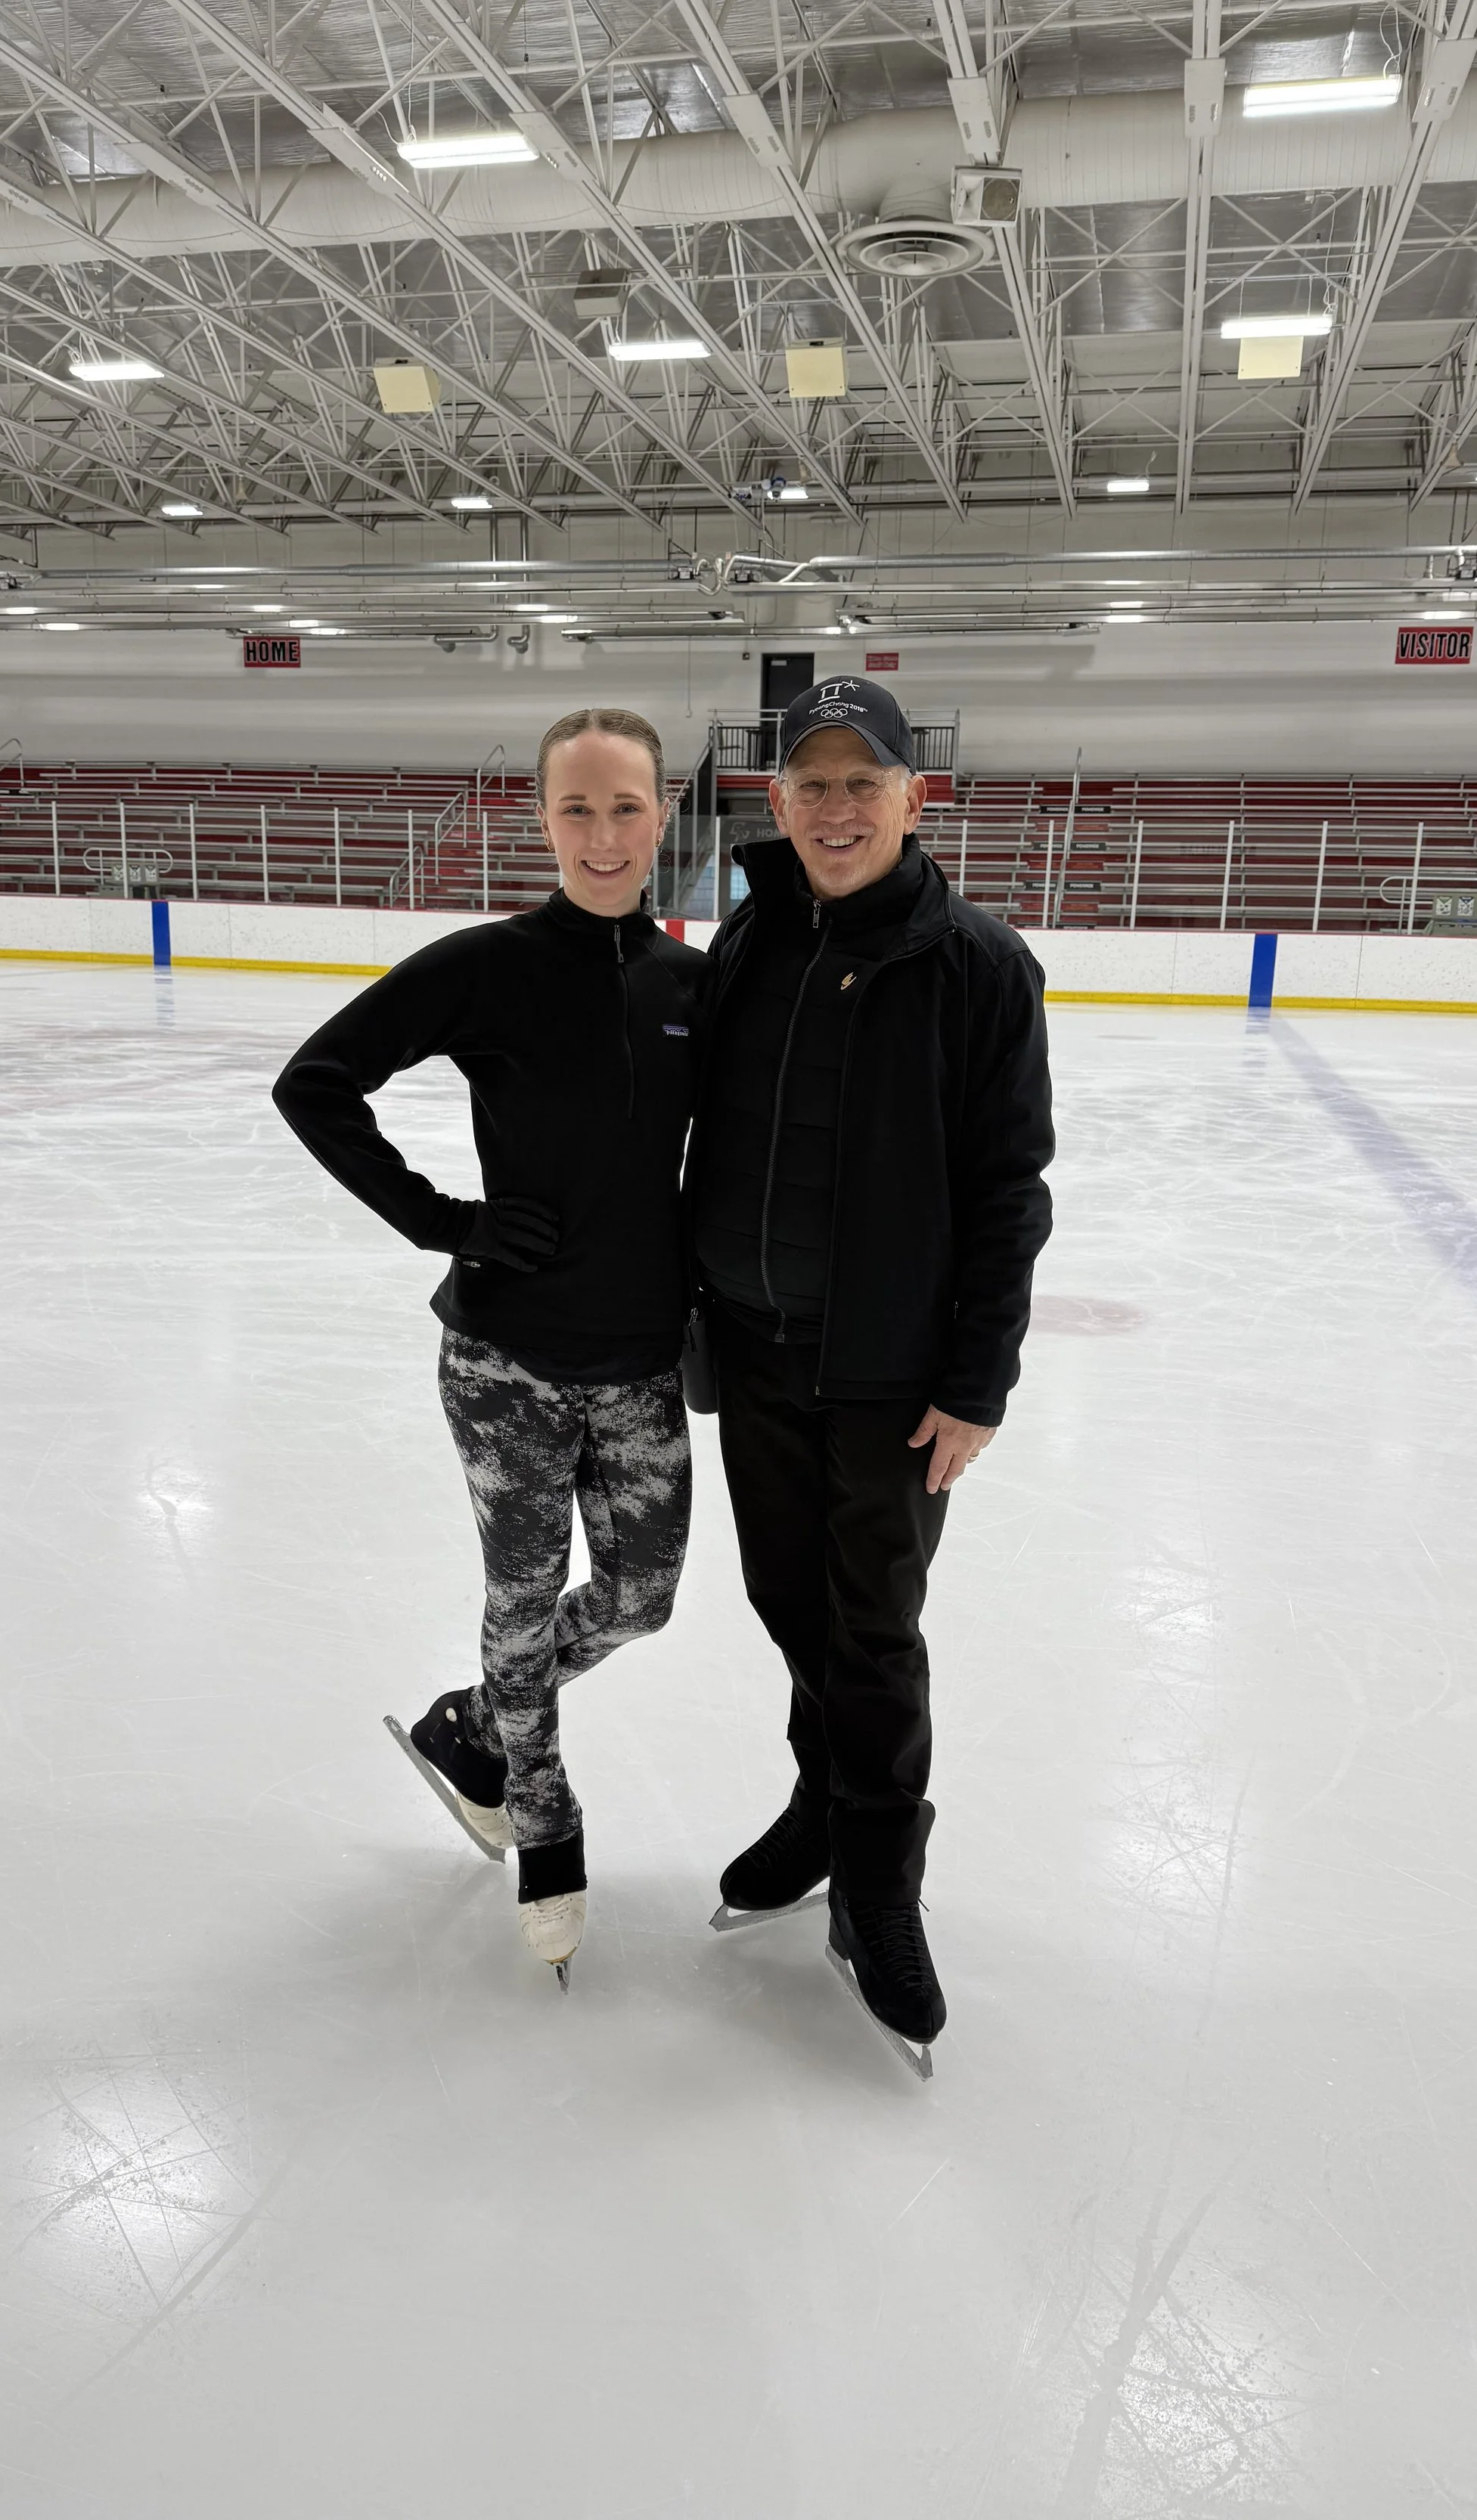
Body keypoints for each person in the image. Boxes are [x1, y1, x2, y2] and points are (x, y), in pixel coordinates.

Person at [272, 709, 706, 1985]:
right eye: (577, 810)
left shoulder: (695, 987)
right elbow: (318, 1082)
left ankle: (475, 1722)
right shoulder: (488, 964)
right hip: (505, 1364)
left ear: (662, 814)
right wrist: (440, 1219)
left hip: (636, 1363)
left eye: (625, 808)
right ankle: (544, 1815)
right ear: (541, 818)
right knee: (519, 1599)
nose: (604, 835)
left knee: (643, 1598)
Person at [689, 674, 1053, 2068]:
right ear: (775, 799)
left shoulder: (975, 964)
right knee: (790, 1602)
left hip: (892, 1376)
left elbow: (1009, 1187)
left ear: (916, 795)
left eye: (865, 782)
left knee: (875, 1633)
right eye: (812, 783)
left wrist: (978, 1383)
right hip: (757, 1354)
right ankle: (820, 1807)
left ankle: (882, 1883)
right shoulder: (752, 934)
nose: (837, 809)